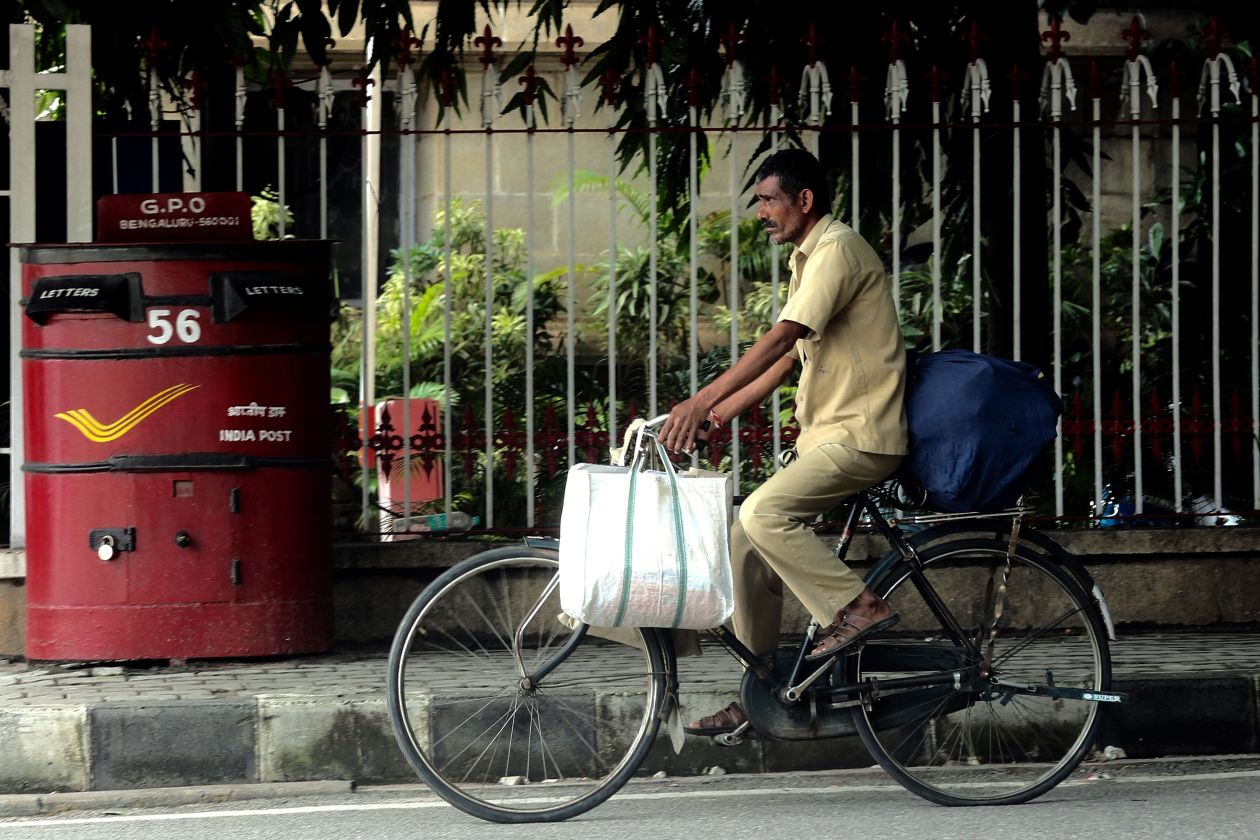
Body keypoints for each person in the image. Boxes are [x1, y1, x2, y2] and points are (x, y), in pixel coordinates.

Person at [657, 148, 909, 736]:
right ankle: (762, 690)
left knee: (764, 512)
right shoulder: (809, 258)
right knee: (744, 539)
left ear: (804, 201)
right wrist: (708, 418)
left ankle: (860, 609)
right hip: (831, 437)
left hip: (863, 436)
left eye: (769, 200)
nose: (762, 212)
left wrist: (697, 400)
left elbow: (780, 339)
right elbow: (785, 366)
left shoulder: (838, 250)